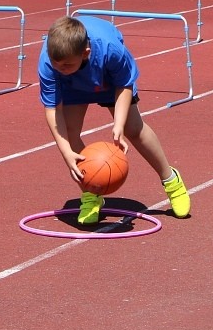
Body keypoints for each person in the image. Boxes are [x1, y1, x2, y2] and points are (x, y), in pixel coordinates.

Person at [38, 15, 190, 225]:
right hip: (71, 84)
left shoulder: (110, 50)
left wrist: (118, 126)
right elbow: (53, 110)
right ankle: (91, 195)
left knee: (133, 129)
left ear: (85, 53)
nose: (59, 67)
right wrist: (66, 153)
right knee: (70, 135)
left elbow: (124, 85)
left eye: (65, 64)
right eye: (56, 63)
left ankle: (171, 180)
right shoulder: (50, 63)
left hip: (109, 80)